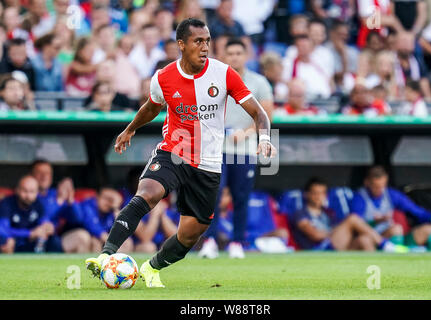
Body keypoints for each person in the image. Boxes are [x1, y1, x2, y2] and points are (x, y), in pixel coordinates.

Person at [85, 18, 276, 288]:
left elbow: (259, 112)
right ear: (181, 44)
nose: (205, 47)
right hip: (173, 152)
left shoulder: (223, 74)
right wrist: (130, 129)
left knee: (191, 233)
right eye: (198, 41)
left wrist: (265, 138)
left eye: (207, 41)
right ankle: (105, 257)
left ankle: (152, 267)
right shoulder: (163, 77)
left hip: (208, 162)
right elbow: (151, 108)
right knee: (148, 193)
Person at [199, 38, 274, 259]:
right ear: (223, 56)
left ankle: (237, 242)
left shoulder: (259, 82)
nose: (234, 57)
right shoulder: (213, 80)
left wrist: (247, 133)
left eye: (238, 53)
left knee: (241, 196)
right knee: (213, 193)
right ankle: (210, 241)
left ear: (246, 56)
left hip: (245, 149)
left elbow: (266, 114)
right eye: (229, 53)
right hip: (216, 149)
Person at [292, 177, 404, 252]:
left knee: (364, 239)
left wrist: (342, 231)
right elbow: (315, 235)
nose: (318, 197)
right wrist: (339, 230)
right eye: (315, 193)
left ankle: (376, 273)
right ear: (307, 194)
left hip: (337, 245)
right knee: (352, 219)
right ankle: (385, 245)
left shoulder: (328, 212)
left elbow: (338, 229)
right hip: (320, 249)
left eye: (322, 193)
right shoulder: (300, 213)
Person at [350, 166, 431, 250]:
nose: (380, 190)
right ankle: (395, 261)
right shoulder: (359, 198)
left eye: (382, 186)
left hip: (393, 239)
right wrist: (375, 222)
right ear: (367, 183)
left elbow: (414, 210)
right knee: (396, 229)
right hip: (373, 240)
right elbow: (355, 226)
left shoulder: (391, 194)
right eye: (376, 187)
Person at [0, 175, 61, 253]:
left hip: (30, 242)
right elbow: (3, 229)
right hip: (13, 241)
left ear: (37, 192)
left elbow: (44, 221)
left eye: (32, 191)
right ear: (17, 190)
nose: (28, 195)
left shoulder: (38, 204)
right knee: (4, 240)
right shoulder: (7, 203)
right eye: (25, 191)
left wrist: (47, 227)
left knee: (54, 241)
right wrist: (29, 233)